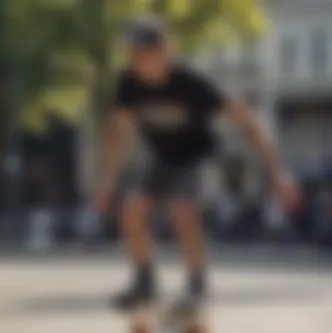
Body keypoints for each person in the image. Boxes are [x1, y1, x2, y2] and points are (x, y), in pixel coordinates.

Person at [93, 18, 301, 312]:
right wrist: (106, 181)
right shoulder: (129, 84)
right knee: (131, 209)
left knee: (184, 210)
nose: (137, 62)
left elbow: (249, 122)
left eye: (144, 54)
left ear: (164, 50)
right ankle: (145, 283)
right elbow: (116, 131)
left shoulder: (191, 83)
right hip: (162, 159)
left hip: (200, 159)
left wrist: (278, 175)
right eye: (133, 55)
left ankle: (197, 285)